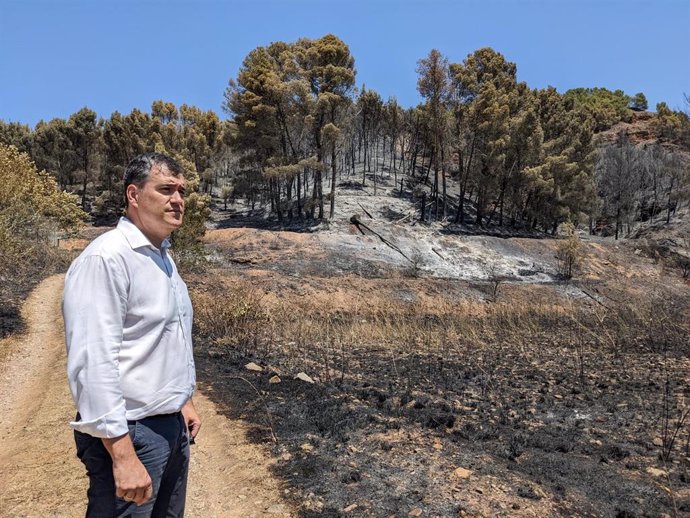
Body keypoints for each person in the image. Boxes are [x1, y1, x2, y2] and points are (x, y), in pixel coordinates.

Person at [63, 152, 201, 518]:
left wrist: (183, 399)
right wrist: (122, 454)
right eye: (166, 189)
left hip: (170, 428)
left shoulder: (162, 257)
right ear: (134, 195)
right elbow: (93, 362)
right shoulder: (107, 259)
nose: (178, 200)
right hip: (130, 433)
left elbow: (166, 337)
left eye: (182, 191)